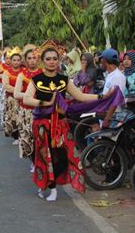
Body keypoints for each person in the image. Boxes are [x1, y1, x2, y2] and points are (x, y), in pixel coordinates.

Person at [23, 40, 102, 202]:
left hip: (60, 126)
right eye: (48, 59)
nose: (52, 62)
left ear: (59, 61)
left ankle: (48, 183)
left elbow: (80, 96)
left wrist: (101, 96)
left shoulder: (64, 80)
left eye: (54, 59)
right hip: (43, 126)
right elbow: (27, 98)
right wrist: (45, 103)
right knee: (47, 157)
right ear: (42, 61)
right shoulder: (36, 80)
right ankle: (51, 189)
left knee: (64, 157)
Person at [99, 48, 126, 128]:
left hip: (114, 115)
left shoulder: (117, 77)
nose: (100, 62)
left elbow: (115, 100)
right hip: (108, 112)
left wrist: (107, 119)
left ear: (105, 60)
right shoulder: (111, 75)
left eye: (101, 59)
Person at [2, 48, 23, 145]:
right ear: (10, 61)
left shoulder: (24, 71)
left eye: (18, 60)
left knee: (22, 117)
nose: (16, 62)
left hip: (24, 98)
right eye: (14, 60)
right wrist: (18, 90)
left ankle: (23, 136)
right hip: (12, 99)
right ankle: (16, 136)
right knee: (13, 117)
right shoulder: (7, 72)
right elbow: (6, 86)